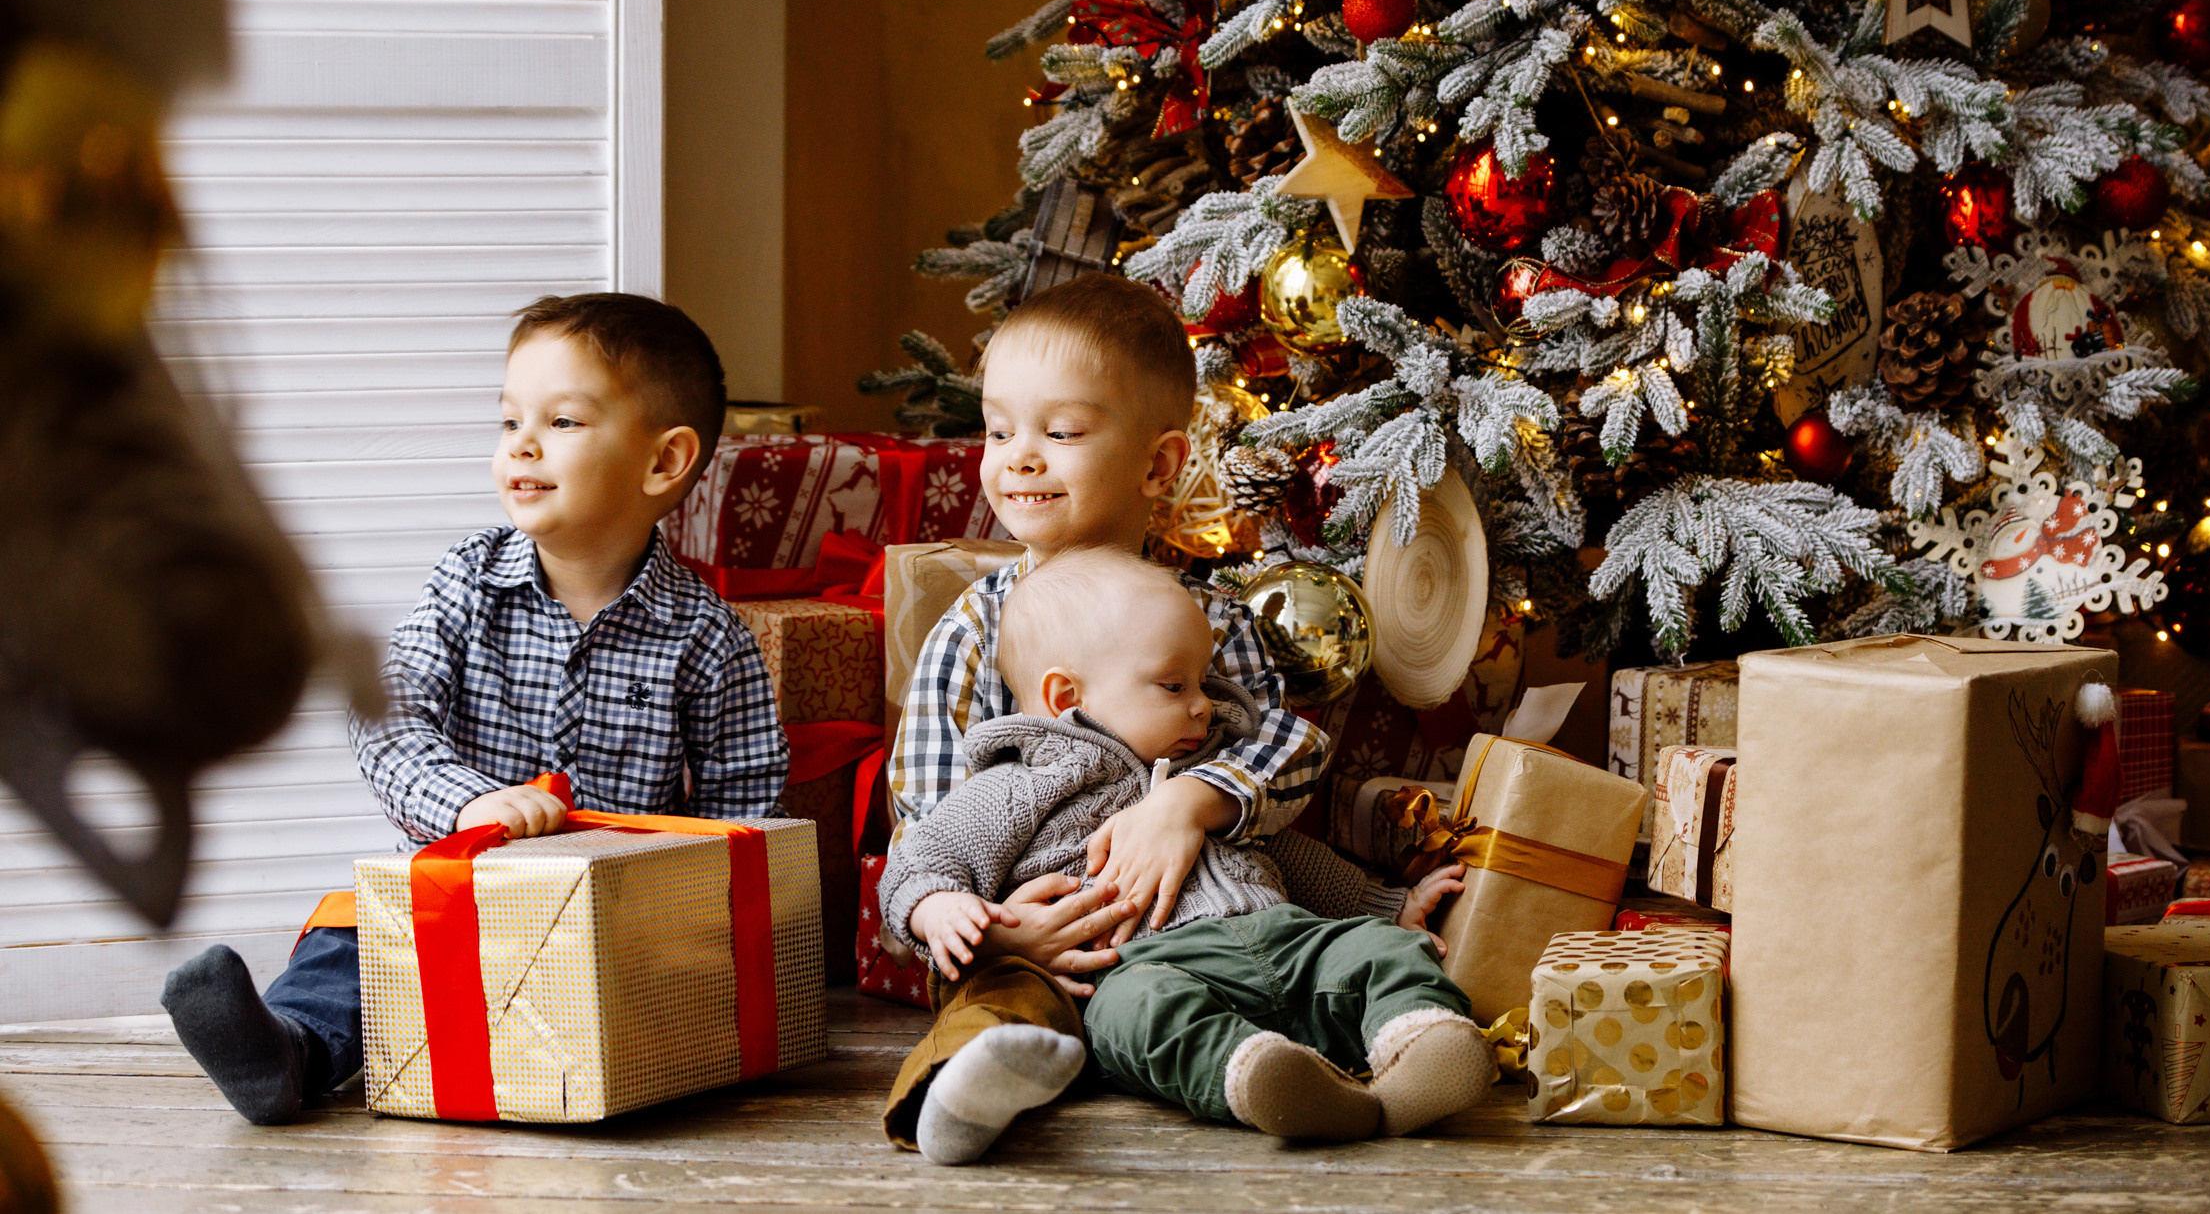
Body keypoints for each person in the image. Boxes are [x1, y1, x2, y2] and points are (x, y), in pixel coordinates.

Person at [159, 293, 787, 1124]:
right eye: (508, 421)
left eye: (562, 421)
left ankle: (645, 1059)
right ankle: (286, 1050)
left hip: (611, 926)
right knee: (354, 949)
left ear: (664, 462)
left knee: (670, 972)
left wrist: (693, 933)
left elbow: (745, 816)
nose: (521, 444)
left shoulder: (710, 638)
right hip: (454, 900)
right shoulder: (464, 584)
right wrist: (469, 800)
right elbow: (387, 717)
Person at [879, 274, 1347, 1153]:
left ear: (1159, 463)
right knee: (1002, 1003)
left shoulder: (1209, 617)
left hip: (1203, 927)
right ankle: (966, 1091)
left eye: (1059, 431)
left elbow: (1289, 747)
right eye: (998, 428)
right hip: (1035, 942)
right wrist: (990, 929)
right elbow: (926, 825)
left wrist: (1190, 801)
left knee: (1308, 951)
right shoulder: (974, 632)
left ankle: (1285, 1069)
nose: (1018, 455)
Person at [882, 548, 1492, 1163]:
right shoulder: (1016, 789)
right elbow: (925, 856)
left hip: (1278, 936)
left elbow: (1290, 856)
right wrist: (938, 907)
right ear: (1068, 694)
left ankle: (1421, 1048)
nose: (1202, 703)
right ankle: (1258, 1076)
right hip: (1143, 966)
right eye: (1174, 686)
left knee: (1381, 949)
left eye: (1204, 683)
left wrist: (1388, 906)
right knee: (1131, 1016)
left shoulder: (1207, 779)